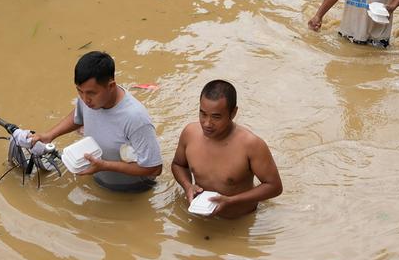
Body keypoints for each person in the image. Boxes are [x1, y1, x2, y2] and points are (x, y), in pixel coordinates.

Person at [29, 51, 163, 192]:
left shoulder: (136, 118)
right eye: (80, 91)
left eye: (91, 93)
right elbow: (77, 117)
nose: (85, 99)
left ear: (111, 86)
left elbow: (154, 168)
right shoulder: (89, 100)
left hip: (133, 191)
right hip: (98, 179)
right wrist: (50, 135)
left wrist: (105, 166)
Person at [171, 80, 283, 219]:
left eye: (216, 117)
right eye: (203, 114)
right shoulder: (190, 133)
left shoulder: (251, 145)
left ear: (233, 113)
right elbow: (178, 164)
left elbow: (274, 186)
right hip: (200, 218)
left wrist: (231, 200)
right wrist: (188, 186)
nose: (207, 123)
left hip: (239, 220)